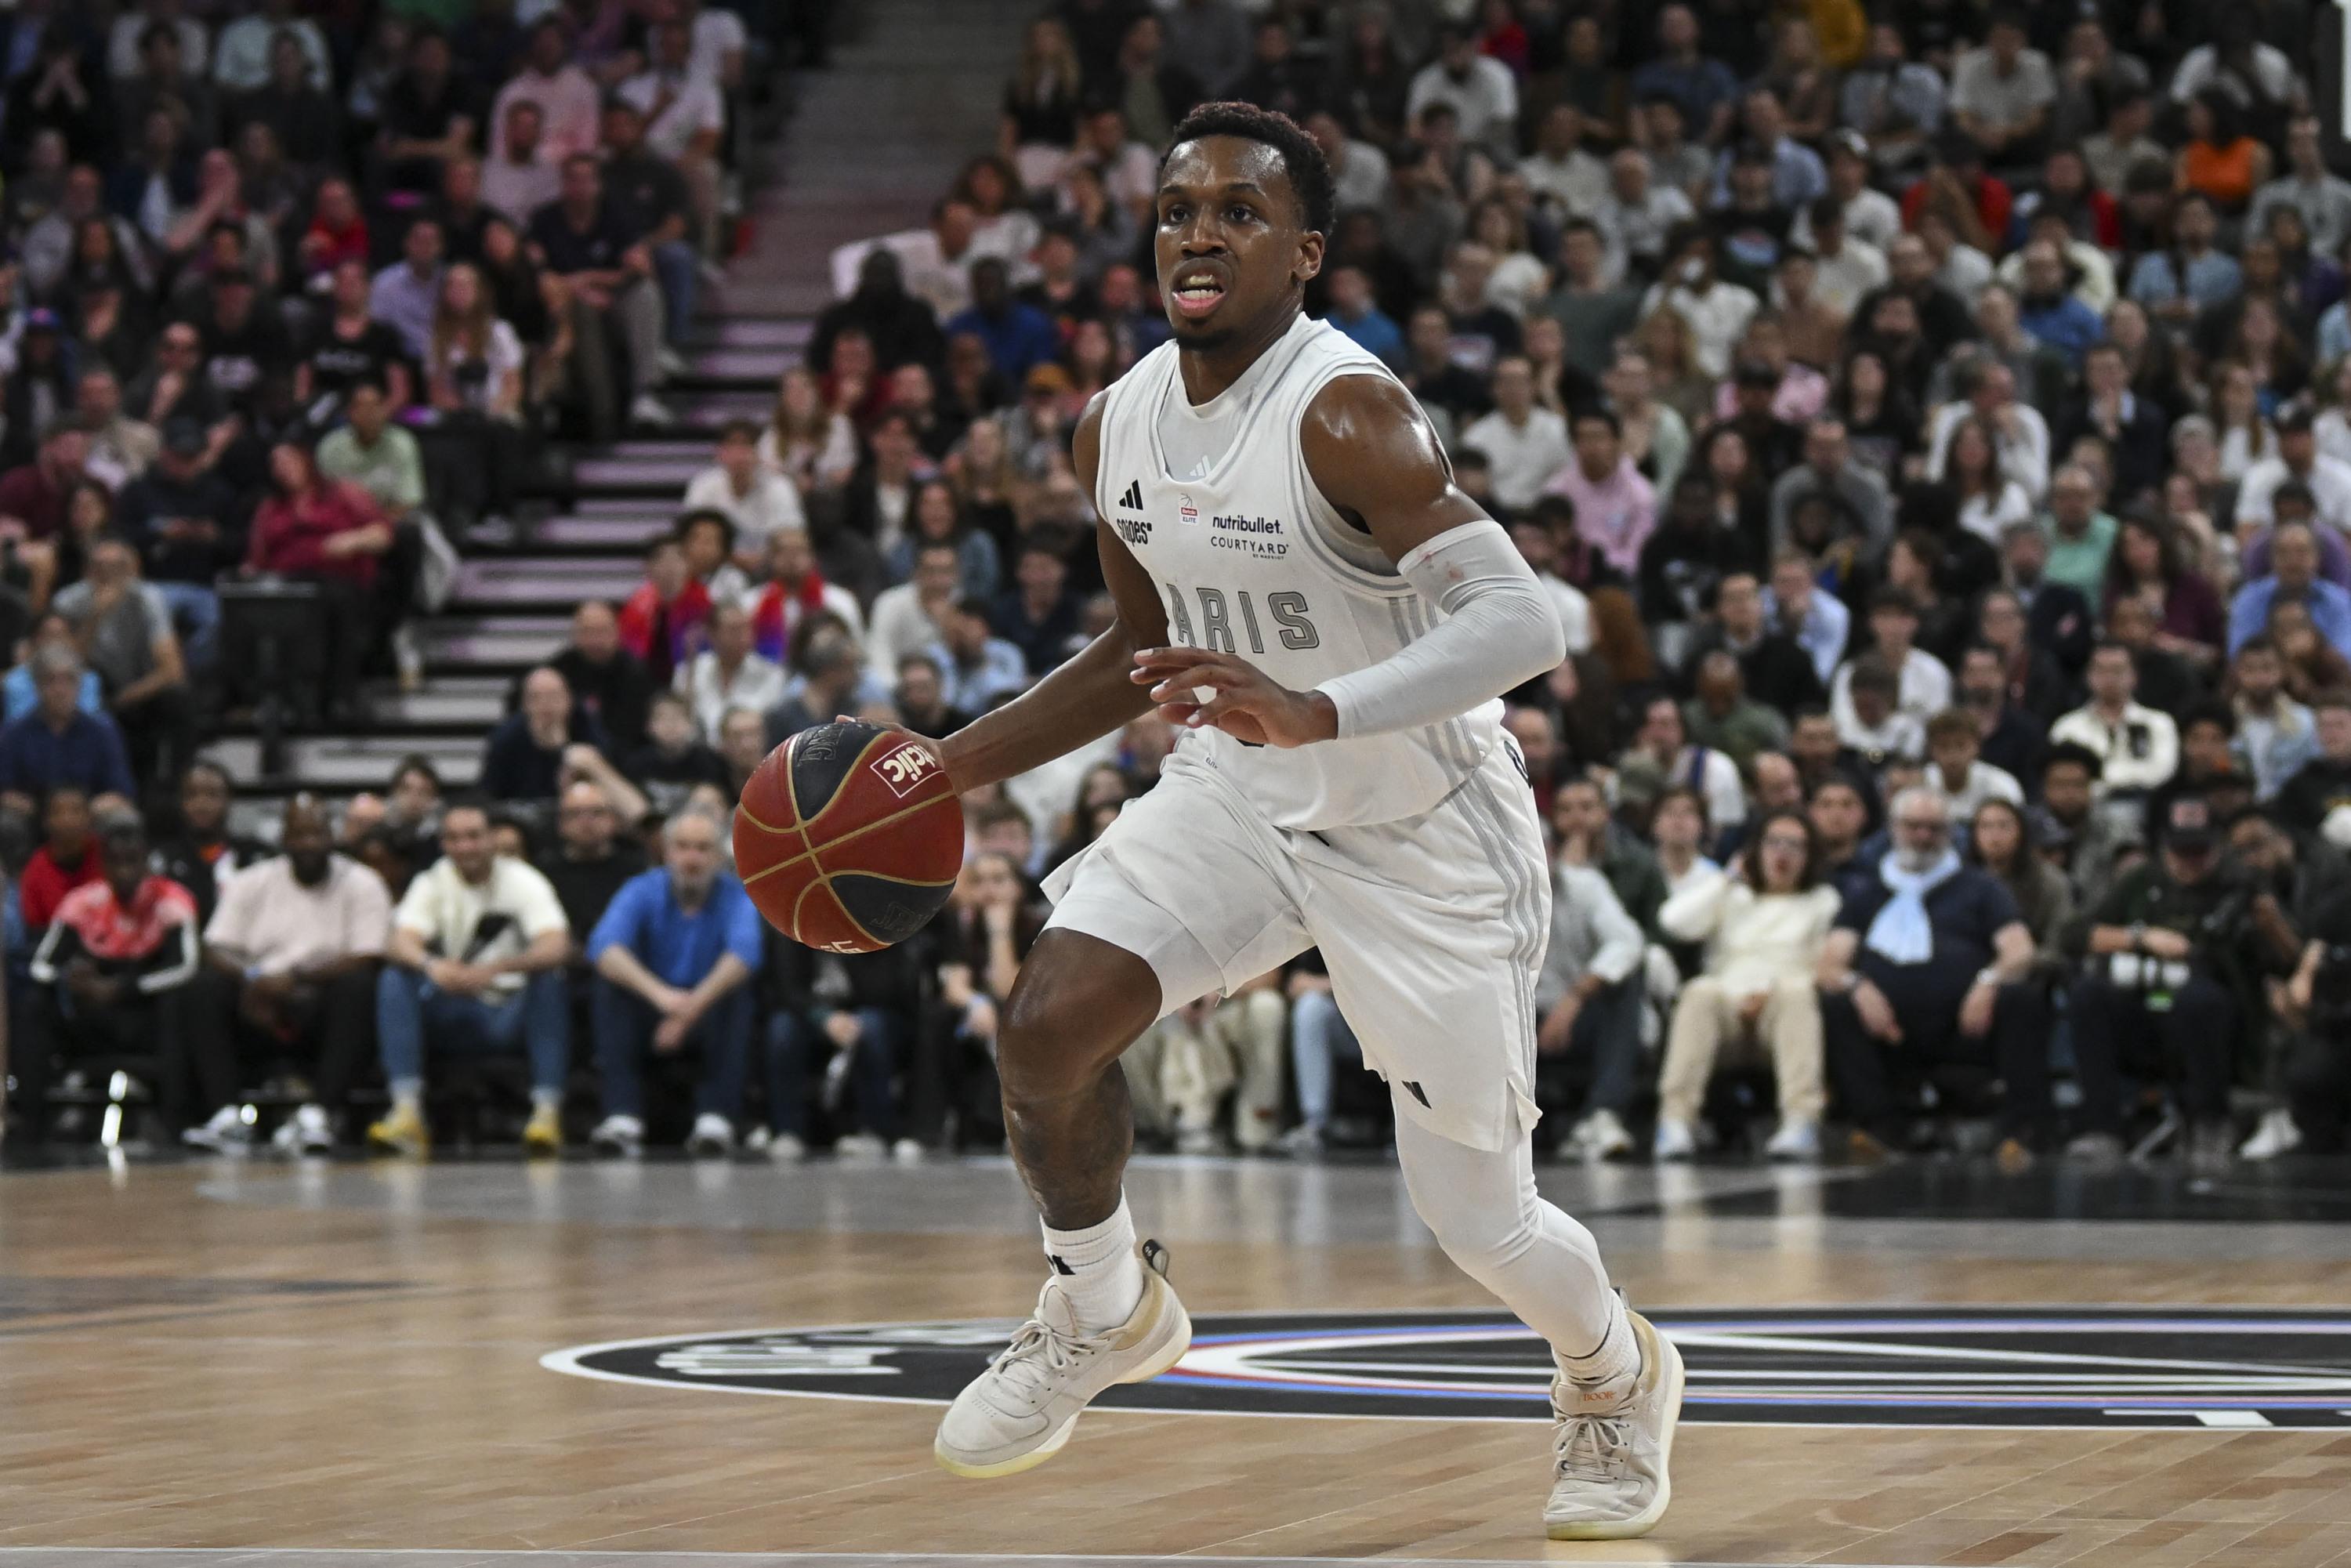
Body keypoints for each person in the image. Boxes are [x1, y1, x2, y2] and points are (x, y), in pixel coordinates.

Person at [906, 105, 1681, 1527]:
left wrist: (1317, 707)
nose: (1199, 228)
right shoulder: (1115, 421)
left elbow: (1527, 619)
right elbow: (1134, 647)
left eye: (1239, 211)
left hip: (1419, 829)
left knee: (1478, 1220)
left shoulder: (1347, 412)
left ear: (1304, 253)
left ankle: (1613, 1370)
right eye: (1178, 206)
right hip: (1238, 791)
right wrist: (949, 766)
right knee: (1046, 1021)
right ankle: (1103, 1304)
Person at [1817, 786, 2051, 1158]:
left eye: (1934, 828)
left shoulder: (1980, 888)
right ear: (1893, 829)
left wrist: (1988, 981)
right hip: (1888, 1030)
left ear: (1950, 834)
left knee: (2021, 998)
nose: (1924, 837)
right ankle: (1882, 1127)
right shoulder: (1868, 893)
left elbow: (2020, 951)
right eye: (1914, 827)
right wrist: (1857, 984)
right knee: (1835, 1004)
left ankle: (2021, 1130)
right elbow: (1830, 964)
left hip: (1966, 1026)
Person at [368, 798, 571, 1157]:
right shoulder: (432, 881)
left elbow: (557, 945)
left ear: (492, 838)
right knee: (394, 979)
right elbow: (398, 942)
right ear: (443, 844)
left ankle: (546, 1113)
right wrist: (434, 966)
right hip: (456, 1007)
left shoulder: (523, 880)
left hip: (512, 1010)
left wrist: (495, 970)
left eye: (474, 836)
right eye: (455, 838)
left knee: (550, 980)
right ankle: (406, 1113)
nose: (465, 847)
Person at [2069, 795, 2259, 1170]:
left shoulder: (2239, 883)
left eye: (2200, 851)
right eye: (2181, 851)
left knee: (2199, 1001)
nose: (2190, 861)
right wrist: (2141, 938)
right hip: (2143, 1007)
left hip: (2213, 1021)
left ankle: (2209, 1121)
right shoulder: (2143, 880)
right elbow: (2075, 934)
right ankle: (2103, 1127)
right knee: (2089, 995)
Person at [194, 795, 392, 1154]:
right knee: (204, 987)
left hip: (322, 1005)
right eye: (299, 835)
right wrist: (253, 979)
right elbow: (215, 947)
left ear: (332, 836)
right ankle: (227, 1116)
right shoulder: (252, 881)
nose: (308, 844)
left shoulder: (363, 883)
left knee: (360, 988)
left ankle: (320, 1115)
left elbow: (368, 955)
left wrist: (296, 979)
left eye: (316, 834)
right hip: (256, 1001)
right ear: (284, 839)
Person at [1654, 810, 1839, 1161]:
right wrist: (1727, 879)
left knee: (1797, 991)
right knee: (1700, 991)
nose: (1782, 854)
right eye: (1774, 843)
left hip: (1782, 1013)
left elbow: (1824, 965)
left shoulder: (1822, 901)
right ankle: (1675, 1120)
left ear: (1810, 855)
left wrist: (1768, 993)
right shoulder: (1733, 896)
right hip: (1727, 1015)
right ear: (1757, 849)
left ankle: (1801, 1122)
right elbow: (1673, 922)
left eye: (1795, 846)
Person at [17, 813, 207, 1148]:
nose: (125, 872)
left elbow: (185, 968)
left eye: (133, 862)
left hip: (146, 1018)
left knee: (183, 1002)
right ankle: (30, 1124)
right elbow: (41, 966)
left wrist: (124, 989)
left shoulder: (171, 901)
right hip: (93, 1018)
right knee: (35, 1003)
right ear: (103, 864)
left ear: (146, 861)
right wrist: (69, 978)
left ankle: (175, 1123)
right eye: (116, 862)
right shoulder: (82, 904)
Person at [585, 804, 762, 1159]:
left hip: (707, 1011)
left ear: (719, 855)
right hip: (652, 1008)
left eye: (702, 848)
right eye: (682, 847)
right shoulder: (641, 890)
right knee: (609, 989)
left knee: (737, 991)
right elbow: (603, 947)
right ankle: (623, 1117)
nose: (692, 858)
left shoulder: (737, 895)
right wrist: (664, 999)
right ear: (666, 852)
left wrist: (690, 1009)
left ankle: (715, 1118)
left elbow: (745, 955)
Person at [0, 646, 136, 813]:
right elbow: (5, 791)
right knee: (7, 824)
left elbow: (121, 790)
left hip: (90, 815)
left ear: (80, 685)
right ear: (36, 686)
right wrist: (48, 813)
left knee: (122, 820)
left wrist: (77, 814)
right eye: (51, 681)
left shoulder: (103, 731)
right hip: (31, 814)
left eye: (68, 680)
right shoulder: (14, 732)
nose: (60, 690)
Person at [2049, 643, 2180, 797]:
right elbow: (2061, 776)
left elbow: (2161, 771)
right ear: (2088, 676)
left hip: (2146, 806)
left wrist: (2101, 778)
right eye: (2101, 670)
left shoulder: (2158, 723)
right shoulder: (2067, 727)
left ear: (2134, 676)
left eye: (2117, 671)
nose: (2109, 678)